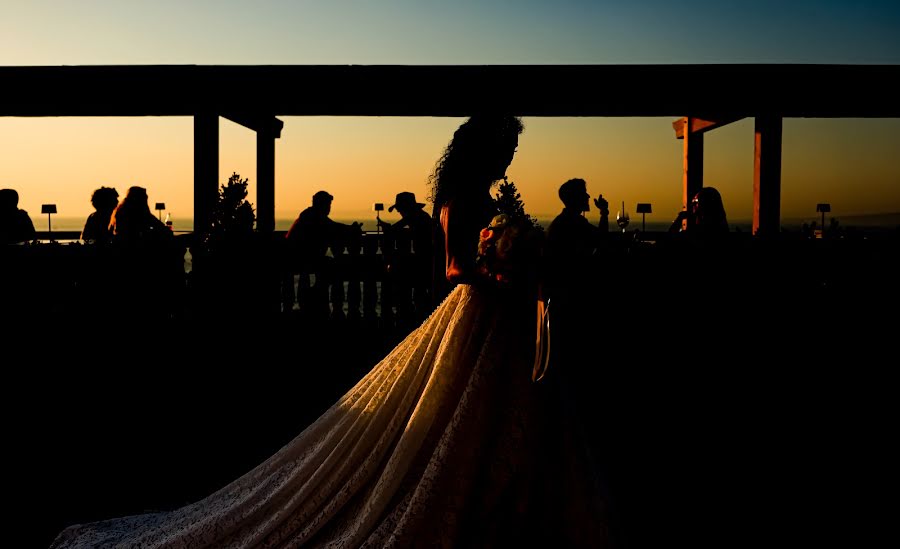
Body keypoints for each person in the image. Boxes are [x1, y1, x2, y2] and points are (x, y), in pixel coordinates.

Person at [50, 115, 610, 548]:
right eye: (505, 148)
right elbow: (454, 268)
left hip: (503, 319)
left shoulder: (488, 199)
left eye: (513, 150)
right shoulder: (461, 200)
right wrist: (507, 273)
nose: (510, 157)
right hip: (481, 311)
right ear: (483, 148)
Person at [285, 190, 362, 316]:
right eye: (327, 204)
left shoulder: (311, 214)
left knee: (328, 268)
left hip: (303, 257)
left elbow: (332, 227)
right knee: (330, 266)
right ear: (320, 204)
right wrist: (351, 229)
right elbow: (332, 227)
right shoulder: (312, 215)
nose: (329, 208)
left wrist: (349, 229)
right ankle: (314, 298)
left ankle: (314, 297)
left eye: (329, 205)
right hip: (301, 257)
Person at [377, 191, 434, 320]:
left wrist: (386, 228)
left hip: (425, 261)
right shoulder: (421, 216)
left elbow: (394, 229)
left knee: (418, 295)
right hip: (426, 260)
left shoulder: (414, 217)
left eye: (399, 209)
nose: (399, 212)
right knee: (420, 295)